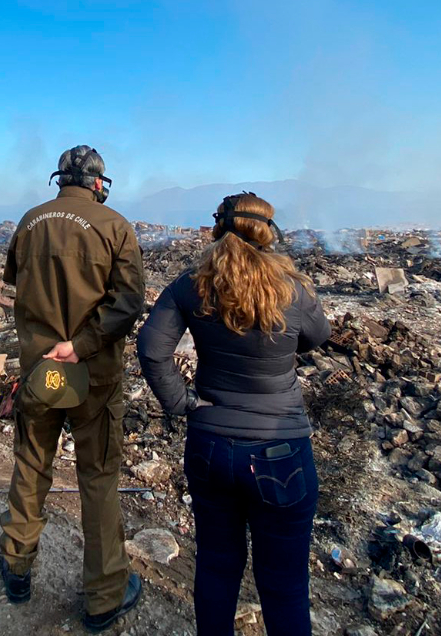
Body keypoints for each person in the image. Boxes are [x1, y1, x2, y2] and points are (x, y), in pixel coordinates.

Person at [136, 192, 331, 636]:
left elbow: (151, 350)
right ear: (268, 232)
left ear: (218, 227)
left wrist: (181, 403)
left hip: (211, 448)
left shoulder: (191, 284)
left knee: (217, 569)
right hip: (282, 451)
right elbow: (319, 336)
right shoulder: (293, 287)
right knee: (285, 588)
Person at [0, 145, 146, 633]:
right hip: (94, 377)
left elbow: (16, 283)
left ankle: (16, 567)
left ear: (60, 179)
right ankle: (103, 596)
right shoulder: (115, 226)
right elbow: (127, 305)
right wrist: (80, 345)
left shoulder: (28, 222)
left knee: (31, 465)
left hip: (40, 372)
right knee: (99, 479)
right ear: (99, 182)